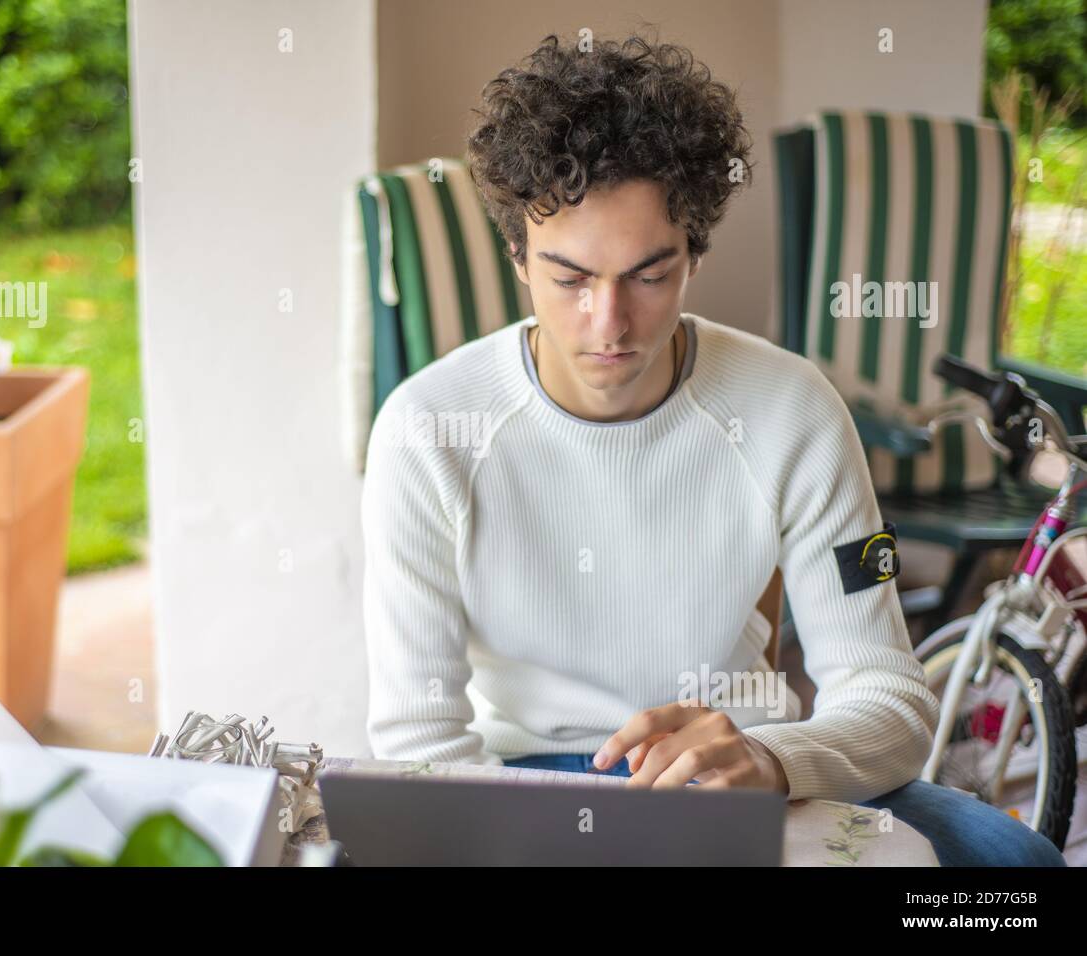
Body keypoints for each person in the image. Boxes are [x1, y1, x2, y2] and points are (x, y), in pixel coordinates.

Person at [359, 31, 1065, 866]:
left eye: (648, 274)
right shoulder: (429, 428)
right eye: (571, 278)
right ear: (519, 254)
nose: (610, 323)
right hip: (525, 778)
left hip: (741, 771)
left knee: (1014, 868)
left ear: (694, 252)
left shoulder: (793, 409)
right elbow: (419, 752)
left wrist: (775, 758)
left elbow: (891, 702)